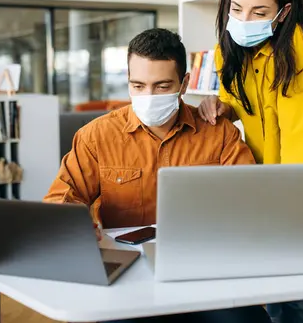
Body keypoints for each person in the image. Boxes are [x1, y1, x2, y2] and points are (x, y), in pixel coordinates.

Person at [44, 28, 271, 323]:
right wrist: (77, 224)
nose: (148, 96)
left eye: (162, 86)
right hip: (127, 277)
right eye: (137, 86)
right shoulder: (96, 136)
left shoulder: (220, 134)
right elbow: (60, 198)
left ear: (184, 83)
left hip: (202, 274)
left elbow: (252, 200)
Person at [197, 0, 303, 323]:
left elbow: (299, 139)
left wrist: (301, 201)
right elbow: (236, 100)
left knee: (291, 292)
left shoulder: (298, 52)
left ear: (284, 12)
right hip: (262, 178)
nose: (243, 20)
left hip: (301, 178)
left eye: (258, 11)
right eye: (236, 8)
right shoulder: (228, 48)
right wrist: (219, 106)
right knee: (263, 277)